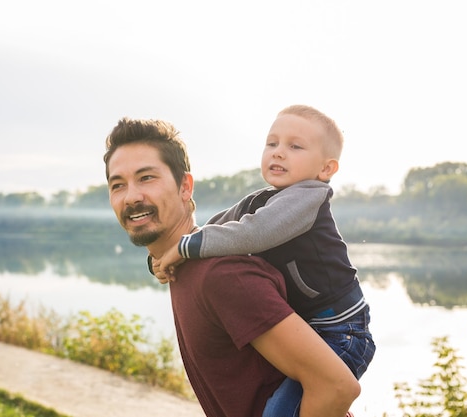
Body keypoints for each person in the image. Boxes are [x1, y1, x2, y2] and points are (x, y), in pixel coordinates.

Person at [104, 116, 360, 417]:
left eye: (147, 178)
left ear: (185, 187)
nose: (132, 196)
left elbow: (337, 387)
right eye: (118, 185)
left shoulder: (220, 275)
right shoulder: (185, 269)